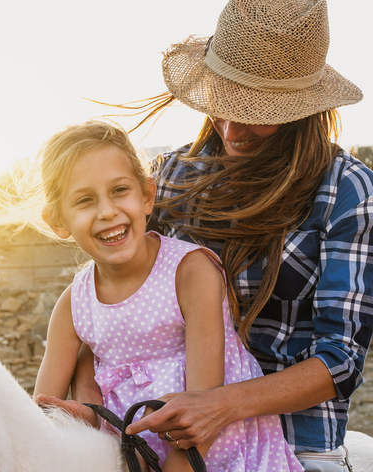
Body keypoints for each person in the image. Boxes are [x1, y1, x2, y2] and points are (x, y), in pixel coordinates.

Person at [59, 0, 373, 470]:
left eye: (256, 110)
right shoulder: (170, 179)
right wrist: (91, 395)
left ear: (304, 108)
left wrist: (219, 405)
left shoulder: (346, 190)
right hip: (158, 440)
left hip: (295, 443)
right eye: (224, 101)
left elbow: (340, 361)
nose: (230, 128)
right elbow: (111, 303)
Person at [28, 120, 303, 471]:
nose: (107, 211)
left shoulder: (190, 272)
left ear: (146, 196)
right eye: (84, 200)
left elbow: (202, 405)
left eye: (119, 191)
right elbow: (44, 413)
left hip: (214, 452)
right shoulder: (73, 304)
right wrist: (85, 422)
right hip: (129, 460)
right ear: (57, 221)